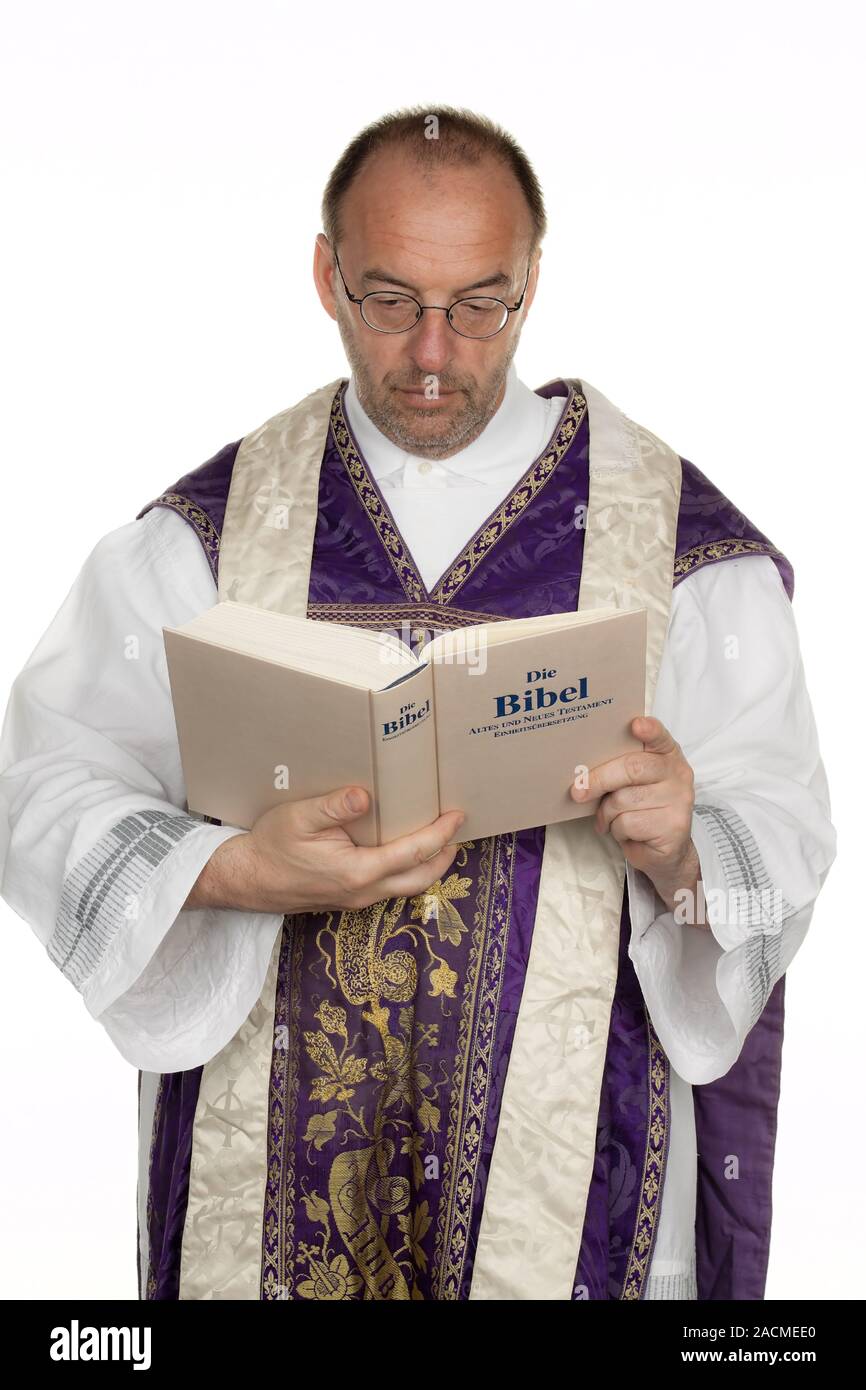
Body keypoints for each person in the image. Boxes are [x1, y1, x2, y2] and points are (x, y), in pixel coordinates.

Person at [0, 105, 836, 1302]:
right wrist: (233, 873)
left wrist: (686, 841)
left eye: (478, 303)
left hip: (573, 1183)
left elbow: (784, 834)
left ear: (532, 280)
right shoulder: (208, 536)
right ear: (325, 276)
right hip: (270, 1165)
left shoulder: (679, 548)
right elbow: (44, 782)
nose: (434, 352)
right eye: (390, 301)